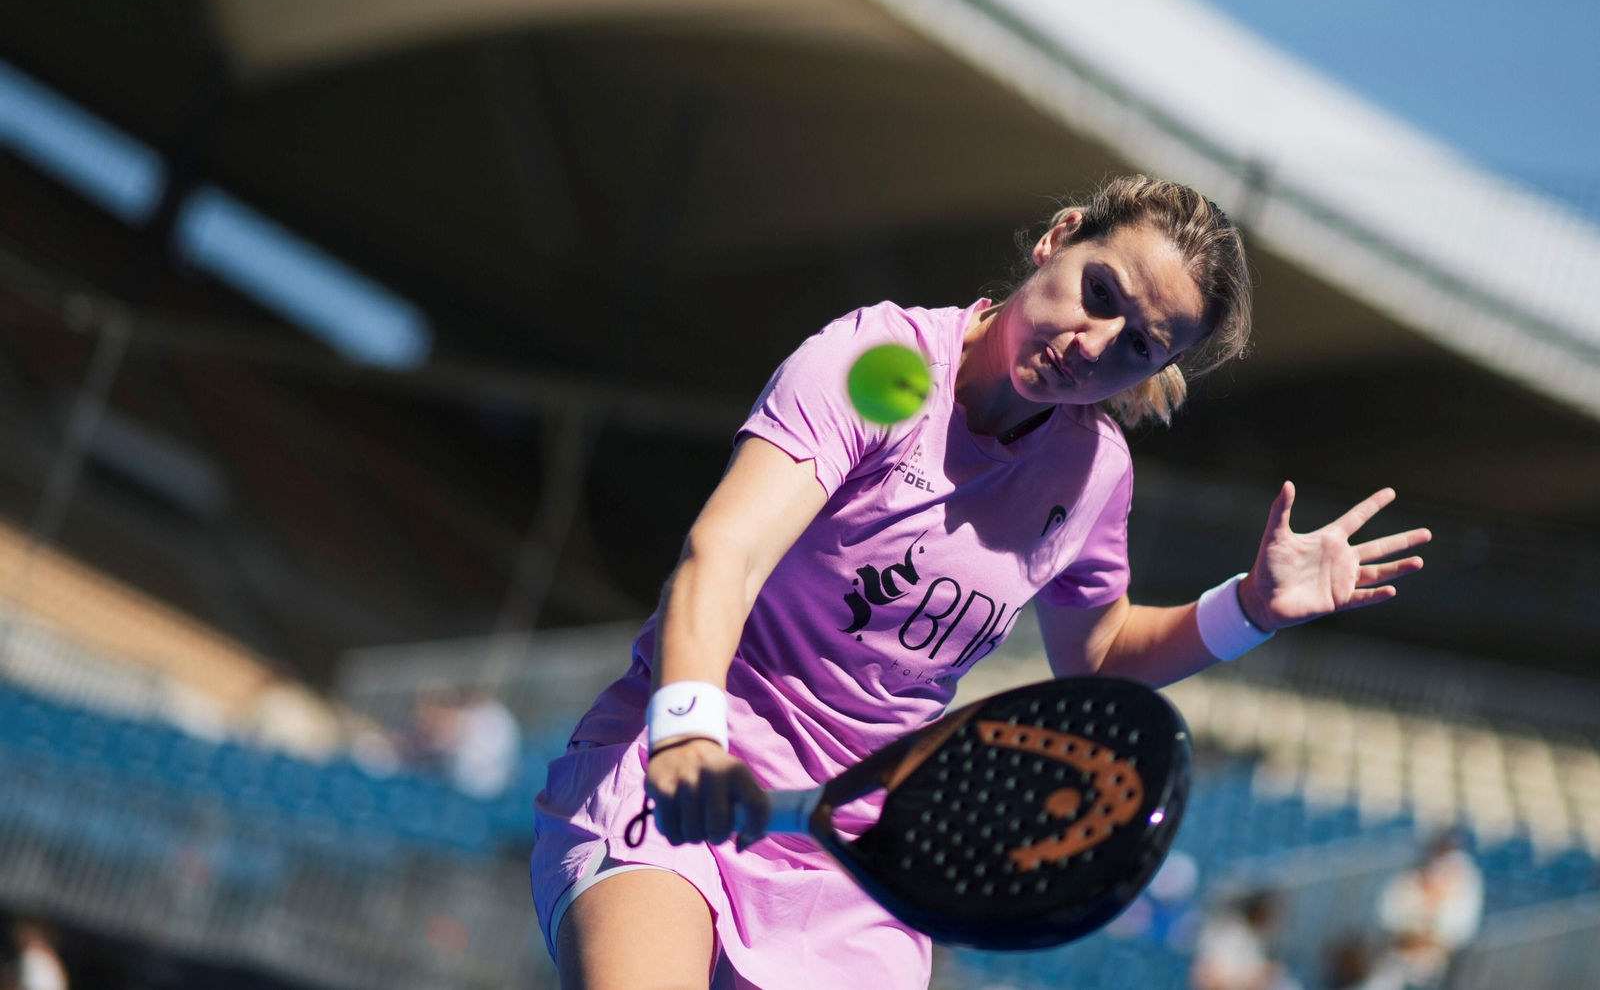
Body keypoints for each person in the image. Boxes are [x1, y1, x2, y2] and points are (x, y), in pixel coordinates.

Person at [529, 176, 1431, 990]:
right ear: (1058, 238)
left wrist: (1249, 609)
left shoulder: (1090, 477)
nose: (1096, 341)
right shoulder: (883, 369)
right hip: (682, 773)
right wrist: (687, 730)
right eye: (1101, 291)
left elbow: (1102, 653)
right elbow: (723, 554)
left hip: (853, 852)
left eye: (1139, 345)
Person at [1376, 833, 1483, 986]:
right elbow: (1388, 917)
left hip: (1438, 957)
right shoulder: (1410, 878)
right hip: (1400, 950)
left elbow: (1456, 932)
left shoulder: (1466, 882)